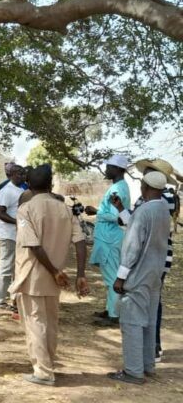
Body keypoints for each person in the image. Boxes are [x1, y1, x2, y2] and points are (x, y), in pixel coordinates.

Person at [9, 165, 90, 386]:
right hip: (56, 277)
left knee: (35, 322)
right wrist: (80, 274)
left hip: (33, 275)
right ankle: (48, 364)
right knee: (50, 322)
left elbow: (33, 245)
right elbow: (80, 241)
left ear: (29, 185)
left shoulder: (25, 209)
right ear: (50, 184)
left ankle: (43, 372)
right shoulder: (64, 209)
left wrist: (53, 271)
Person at [107, 172, 171, 385]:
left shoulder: (144, 211)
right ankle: (147, 366)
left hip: (138, 274)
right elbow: (137, 226)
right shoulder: (162, 208)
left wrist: (120, 277)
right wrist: (121, 210)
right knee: (149, 321)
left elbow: (133, 246)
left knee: (132, 321)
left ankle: (133, 372)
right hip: (155, 274)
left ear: (144, 186)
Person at [85, 155, 131, 327]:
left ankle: (114, 315)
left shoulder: (118, 189)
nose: (106, 170)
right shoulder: (119, 186)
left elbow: (114, 215)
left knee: (112, 277)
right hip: (108, 236)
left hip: (110, 238)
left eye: (109, 167)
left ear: (118, 169)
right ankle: (110, 308)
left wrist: (95, 211)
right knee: (109, 276)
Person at [0, 164, 25, 309]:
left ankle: (11, 297)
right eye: (20, 174)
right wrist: (17, 222)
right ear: (12, 174)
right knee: (5, 267)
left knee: (12, 267)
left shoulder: (20, 189)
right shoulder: (7, 191)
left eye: (23, 174)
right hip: (7, 234)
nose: (23, 176)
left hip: (15, 234)